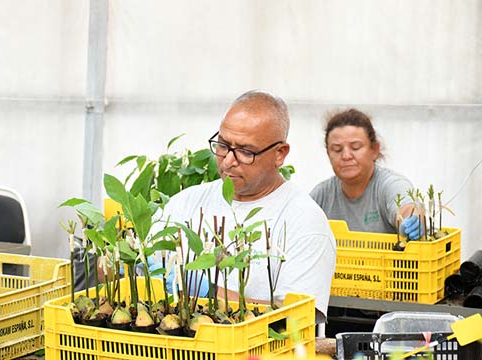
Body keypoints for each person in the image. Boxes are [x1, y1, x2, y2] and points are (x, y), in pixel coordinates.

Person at [155, 90, 336, 323]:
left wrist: (209, 293)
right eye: (222, 145)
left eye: (245, 151)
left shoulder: (303, 220)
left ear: (280, 154)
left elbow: (295, 318)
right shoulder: (187, 203)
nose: (228, 161)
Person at [310, 108, 423, 240]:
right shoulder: (321, 195)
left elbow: (406, 208)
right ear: (328, 154)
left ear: (374, 149)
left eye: (355, 147)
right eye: (337, 149)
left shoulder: (389, 184)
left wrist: (412, 221)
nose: (346, 156)